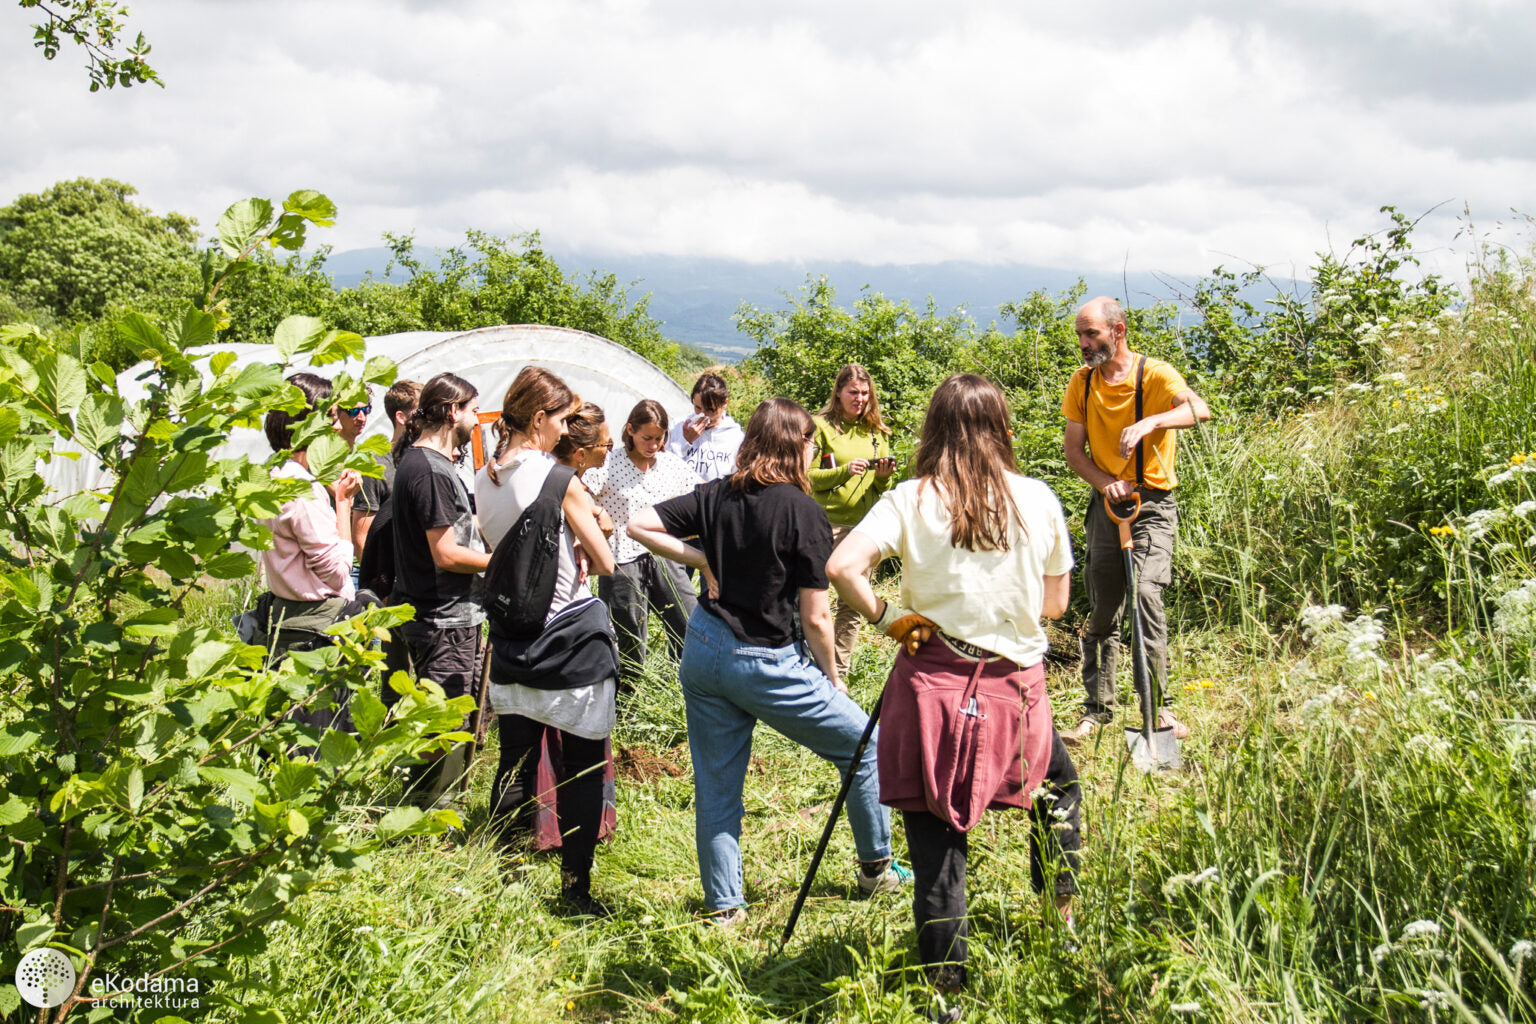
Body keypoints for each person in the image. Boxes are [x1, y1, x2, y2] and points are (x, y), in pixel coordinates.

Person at [827, 374, 1082, 1009]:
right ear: (1003, 430)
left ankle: (946, 991)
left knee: (936, 838)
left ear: (933, 431)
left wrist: (891, 617)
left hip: (932, 681)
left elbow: (840, 567)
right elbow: (1056, 604)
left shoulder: (910, 499)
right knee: (1059, 792)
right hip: (1016, 687)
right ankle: (1062, 922)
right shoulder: (1038, 498)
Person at [627, 398, 909, 927]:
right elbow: (818, 616)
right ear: (793, 445)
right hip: (764, 661)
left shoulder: (716, 494)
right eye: (809, 442)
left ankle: (724, 909)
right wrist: (832, 679)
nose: (814, 450)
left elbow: (639, 525)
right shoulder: (803, 512)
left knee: (716, 784)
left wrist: (700, 558)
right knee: (865, 747)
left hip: (705, 649)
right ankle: (876, 867)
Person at [475, 369, 618, 915]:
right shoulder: (554, 478)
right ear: (538, 419)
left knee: (514, 760)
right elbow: (604, 562)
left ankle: (504, 872)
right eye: (560, 420)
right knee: (581, 764)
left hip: (512, 638)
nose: (565, 432)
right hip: (568, 636)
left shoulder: (483, 477)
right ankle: (574, 890)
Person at [1059, 297, 1212, 745]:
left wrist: (1152, 423)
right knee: (1103, 607)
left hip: (1153, 505)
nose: (1084, 344)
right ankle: (1096, 712)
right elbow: (1074, 453)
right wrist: (1106, 483)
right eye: (1080, 336)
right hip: (1107, 506)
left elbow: (1198, 410)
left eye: (1092, 334)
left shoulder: (1157, 375)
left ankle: (1158, 709)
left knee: (1145, 595)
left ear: (1118, 331)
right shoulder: (1082, 383)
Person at [504, 401, 621, 853]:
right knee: (570, 739)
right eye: (606, 445)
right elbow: (597, 561)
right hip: (565, 625)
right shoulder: (566, 488)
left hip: (528, 626)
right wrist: (601, 528)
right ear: (581, 452)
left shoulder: (531, 479)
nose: (609, 452)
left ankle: (531, 828)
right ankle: (563, 834)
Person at [390, 372, 491, 802]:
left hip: (443, 613)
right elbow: (447, 554)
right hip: (444, 616)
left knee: (454, 712)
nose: (474, 418)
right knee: (444, 719)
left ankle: (427, 806)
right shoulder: (429, 470)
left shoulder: (421, 462)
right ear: (452, 412)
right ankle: (427, 817)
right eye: (471, 409)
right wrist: (502, 563)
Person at [587, 399, 702, 688]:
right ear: (630, 430)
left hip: (664, 555)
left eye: (659, 438)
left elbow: (700, 496)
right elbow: (574, 490)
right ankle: (627, 702)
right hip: (622, 562)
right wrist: (596, 513)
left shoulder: (671, 467)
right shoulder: (609, 462)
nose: (653, 445)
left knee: (689, 624)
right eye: (646, 438)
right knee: (630, 640)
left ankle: (688, 688)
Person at [252, 372, 363, 662]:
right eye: (331, 417)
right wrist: (342, 503)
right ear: (306, 423)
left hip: (285, 617)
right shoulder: (303, 490)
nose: (338, 426)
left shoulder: (273, 475)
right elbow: (337, 572)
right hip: (314, 629)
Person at [810, 364, 898, 680]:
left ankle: (838, 673)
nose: (859, 399)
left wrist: (884, 478)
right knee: (811, 595)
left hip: (862, 529)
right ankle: (806, 662)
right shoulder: (820, 427)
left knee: (852, 606)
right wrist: (844, 471)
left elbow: (881, 487)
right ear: (838, 392)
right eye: (853, 392)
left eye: (864, 393)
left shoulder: (877, 433)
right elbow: (807, 478)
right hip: (824, 525)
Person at [353, 378, 422, 560]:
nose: (429, 418)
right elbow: (361, 537)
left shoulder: (429, 459)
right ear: (400, 417)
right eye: (421, 412)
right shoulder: (376, 466)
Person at [666, 371, 744, 483]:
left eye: (710, 410)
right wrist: (685, 441)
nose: (703, 415)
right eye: (697, 408)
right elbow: (665, 467)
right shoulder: (677, 426)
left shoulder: (736, 437)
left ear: (724, 403)